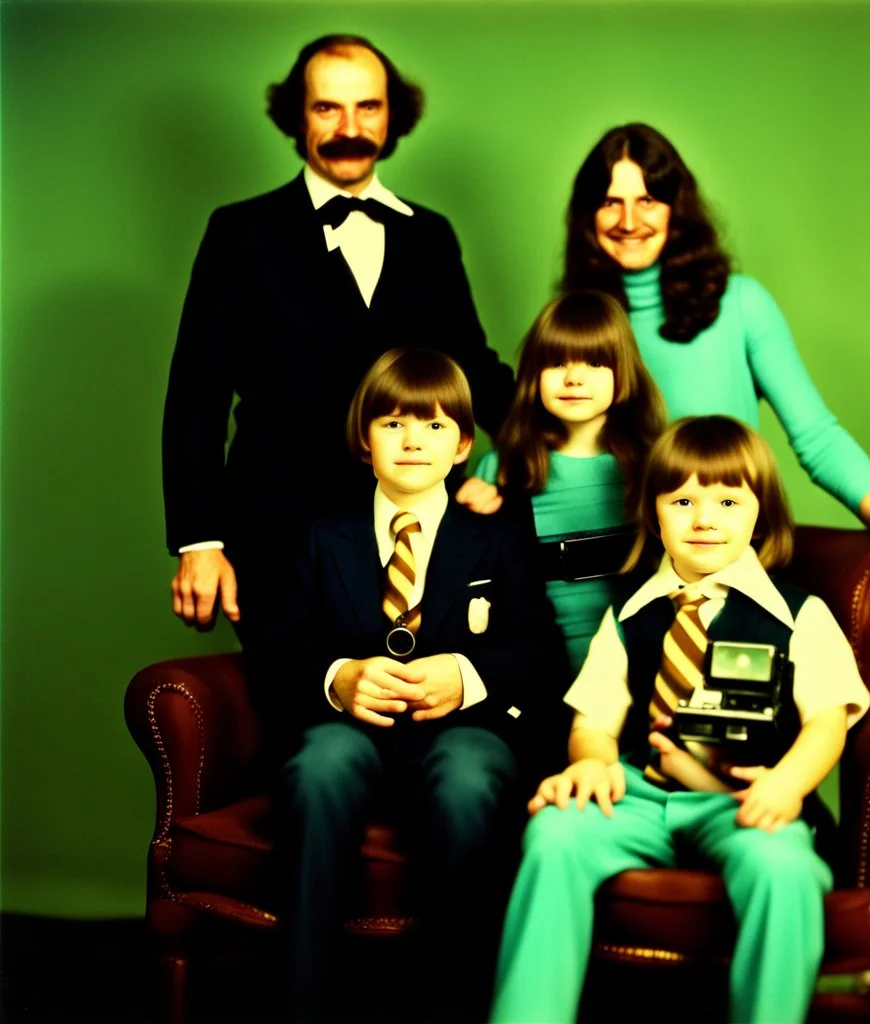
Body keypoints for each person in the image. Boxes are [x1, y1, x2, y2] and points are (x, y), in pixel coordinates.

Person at [490, 415, 870, 1024]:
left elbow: (828, 720)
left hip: (742, 797)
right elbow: (594, 720)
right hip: (641, 794)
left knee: (784, 867)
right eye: (683, 500)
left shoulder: (802, 615)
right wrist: (591, 762)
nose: (704, 519)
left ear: (759, 513)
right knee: (555, 836)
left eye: (726, 500)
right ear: (654, 512)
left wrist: (787, 784)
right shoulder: (628, 615)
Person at [162, 34, 514, 642]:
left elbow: (473, 369)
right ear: (297, 117)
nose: (349, 126)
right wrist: (199, 539)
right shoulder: (241, 233)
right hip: (278, 536)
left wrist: (544, 450)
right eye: (328, 108)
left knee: (425, 711)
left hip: (418, 530)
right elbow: (198, 393)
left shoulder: (431, 235)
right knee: (311, 726)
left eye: (367, 107)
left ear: (391, 115)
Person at [272, 348, 559, 1022]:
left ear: (463, 445)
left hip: (464, 732)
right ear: (363, 441)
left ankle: (451, 1000)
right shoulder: (320, 537)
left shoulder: (498, 535)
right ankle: (304, 999)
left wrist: (466, 676)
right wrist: (339, 678)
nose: (411, 440)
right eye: (393, 423)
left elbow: (539, 649)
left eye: (433, 427)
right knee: (318, 767)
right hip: (350, 731)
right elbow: (282, 645)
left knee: (469, 776)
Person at [559, 122, 870, 550]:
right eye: (611, 202)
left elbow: (816, 435)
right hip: (621, 560)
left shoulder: (741, 303)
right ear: (588, 215)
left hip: (725, 557)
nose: (629, 221)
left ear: (675, 206)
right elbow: (545, 444)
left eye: (647, 199)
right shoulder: (578, 320)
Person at [476, 291, 664, 676]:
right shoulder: (502, 469)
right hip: (534, 665)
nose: (574, 377)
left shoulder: (656, 465)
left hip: (639, 661)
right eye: (557, 362)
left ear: (623, 372)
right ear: (533, 374)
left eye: (595, 362)